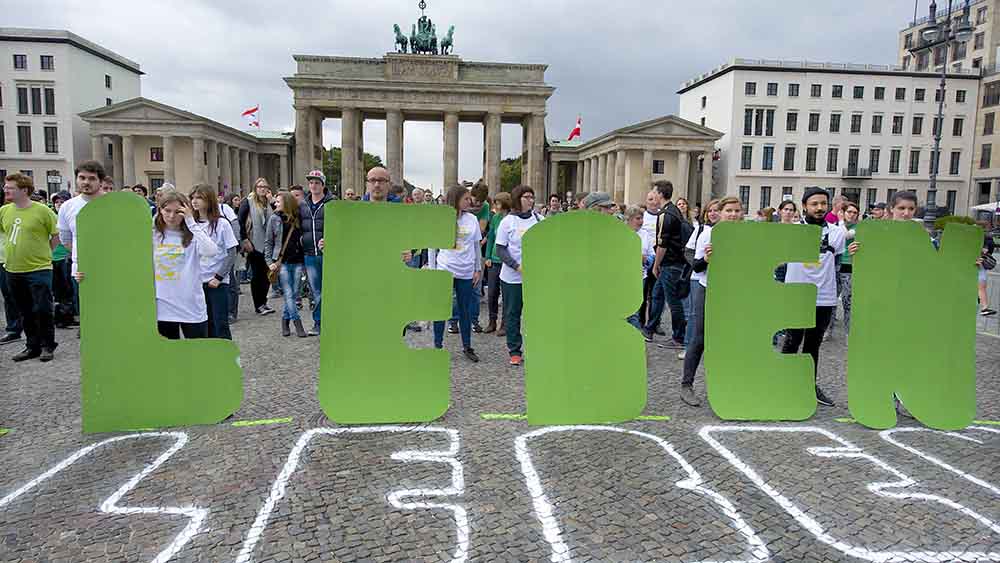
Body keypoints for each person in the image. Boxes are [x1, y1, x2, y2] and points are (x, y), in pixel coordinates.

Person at [781, 187, 846, 407]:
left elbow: (836, 258)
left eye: (823, 204)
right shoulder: (793, 230)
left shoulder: (836, 233)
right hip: (797, 294)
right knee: (792, 341)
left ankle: (809, 386)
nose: (819, 208)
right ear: (805, 207)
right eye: (814, 204)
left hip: (824, 296)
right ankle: (784, 384)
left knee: (813, 345)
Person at [681, 196, 744, 406]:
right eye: (729, 211)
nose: (733, 214)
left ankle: (728, 386)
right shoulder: (708, 233)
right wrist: (707, 259)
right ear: (721, 213)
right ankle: (686, 385)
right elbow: (696, 266)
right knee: (700, 338)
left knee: (730, 340)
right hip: (708, 289)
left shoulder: (745, 235)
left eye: (737, 211)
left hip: (733, 292)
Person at [0, 173, 60, 361]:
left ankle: (47, 345)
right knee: (24, 310)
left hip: (39, 268)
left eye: (10, 187)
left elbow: (56, 236)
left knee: (42, 308)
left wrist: (44, 254)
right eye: (6, 187)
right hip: (13, 269)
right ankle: (31, 346)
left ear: (24, 190)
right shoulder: (4, 211)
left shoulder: (42, 211)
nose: (5, 190)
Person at [428, 185, 483, 362]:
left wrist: (477, 268)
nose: (470, 201)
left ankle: (467, 346)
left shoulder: (472, 219)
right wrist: (433, 268)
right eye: (466, 198)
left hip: (466, 270)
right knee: (441, 310)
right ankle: (437, 345)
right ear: (456, 199)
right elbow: (431, 245)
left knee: (465, 309)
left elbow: (476, 245)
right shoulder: (441, 218)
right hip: (445, 268)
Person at [495, 185, 542, 366]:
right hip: (512, 277)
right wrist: (516, 266)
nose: (530, 200)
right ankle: (514, 350)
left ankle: (537, 347)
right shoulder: (508, 222)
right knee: (513, 313)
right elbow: (500, 249)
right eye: (526, 197)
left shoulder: (539, 219)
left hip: (535, 278)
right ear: (517, 199)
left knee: (536, 314)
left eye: (532, 197)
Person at [645, 181, 692, 348]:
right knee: (657, 295)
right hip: (674, 263)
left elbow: (662, 243)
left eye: (653, 192)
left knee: (673, 302)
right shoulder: (674, 211)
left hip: (670, 263)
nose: (652, 195)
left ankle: (679, 337)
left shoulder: (665, 214)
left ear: (659, 193)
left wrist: (656, 264)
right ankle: (649, 328)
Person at [190, 185, 238, 339]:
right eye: (193, 198)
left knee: (220, 324)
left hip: (217, 282)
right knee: (204, 325)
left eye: (199, 197)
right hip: (197, 282)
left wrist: (218, 277)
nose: (194, 201)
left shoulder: (222, 224)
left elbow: (231, 252)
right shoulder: (190, 225)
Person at [679, 199, 721, 360]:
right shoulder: (701, 229)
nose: (713, 213)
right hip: (698, 278)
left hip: (716, 279)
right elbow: (689, 251)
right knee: (695, 315)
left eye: (716, 210)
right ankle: (688, 346)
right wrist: (698, 264)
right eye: (710, 211)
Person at [265, 191, 308, 337]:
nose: (275, 204)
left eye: (278, 201)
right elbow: (268, 242)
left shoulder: (298, 217)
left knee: (294, 294)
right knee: (289, 294)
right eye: (275, 202)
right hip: (281, 262)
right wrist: (269, 261)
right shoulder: (273, 219)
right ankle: (298, 323)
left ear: (287, 202)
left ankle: (285, 320)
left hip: (297, 261)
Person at [299, 170, 334, 336]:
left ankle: (333, 320)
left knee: (331, 288)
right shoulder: (303, 205)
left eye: (317, 182)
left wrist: (331, 240)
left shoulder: (332, 203)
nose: (313, 185)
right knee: (316, 291)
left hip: (329, 255)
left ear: (323, 185)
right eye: (311, 182)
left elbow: (341, 228)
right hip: (310, 254)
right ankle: (318, 322)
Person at [238, 178, 276, 317]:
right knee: (257, 275)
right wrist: (244, 240)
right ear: (255, 188)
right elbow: (240, 221)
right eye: (260, 186)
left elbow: (280, 216)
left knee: (266, 274)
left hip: (269, 244)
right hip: (254, 243)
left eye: (265, 186)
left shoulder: (270, 202)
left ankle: (264, 302)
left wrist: (272, 201)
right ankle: (258, 304)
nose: (262, 189)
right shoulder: (248, 202)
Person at [483, 191, 511, 335]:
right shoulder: (495, 218)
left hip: (506, 261)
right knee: (492, 293)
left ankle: (504, 324)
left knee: (506, 294)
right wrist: (487, 256)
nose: (495, 205)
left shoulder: (512, 218)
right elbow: (491, 237)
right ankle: (492, 321)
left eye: (497, 203)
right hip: (493, 260)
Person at [625, 205, 656, 330]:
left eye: (642, 218)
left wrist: (646, 260)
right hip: (622, 276)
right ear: (629, 219)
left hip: (639, 276)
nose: (641, 221)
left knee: (634, 309)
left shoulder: (645, 235)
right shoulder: (621, 232)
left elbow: (652, 255)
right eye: (638, 218)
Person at [50, 191, 76, 329]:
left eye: (61, 202)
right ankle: (61, 316)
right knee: (57, 290)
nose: (59, 205)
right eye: (56, 202)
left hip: (66, 257)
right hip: (54, 258)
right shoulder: (52, 216)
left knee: (68, 289)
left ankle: (69, 315)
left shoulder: (70, 215)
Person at [0, 186, 22, 345]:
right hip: (2, 259)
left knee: (16, 295)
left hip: (12, 258)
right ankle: (13, 328)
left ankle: (22, 328)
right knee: (8, 296)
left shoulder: (7, 210)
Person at [837, 202, 860, 333]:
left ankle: (848, 331)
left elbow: (845, 235)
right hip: (835, 265)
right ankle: (828, 330)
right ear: (844, 212)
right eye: (849, 212)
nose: (851, 215)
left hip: (849, 266)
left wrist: (840, 221)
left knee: (847, 302)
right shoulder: (836, 226)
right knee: (831, 302)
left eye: (854, 212)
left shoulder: (858, 228)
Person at [978, 224, 997, 316]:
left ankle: (983, 305)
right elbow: (986, 251)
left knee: (981, 286)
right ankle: (984, 308)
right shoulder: (985, 238)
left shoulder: (982, 238)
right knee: (982, 286)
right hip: (978, 264)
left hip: (978, 264)